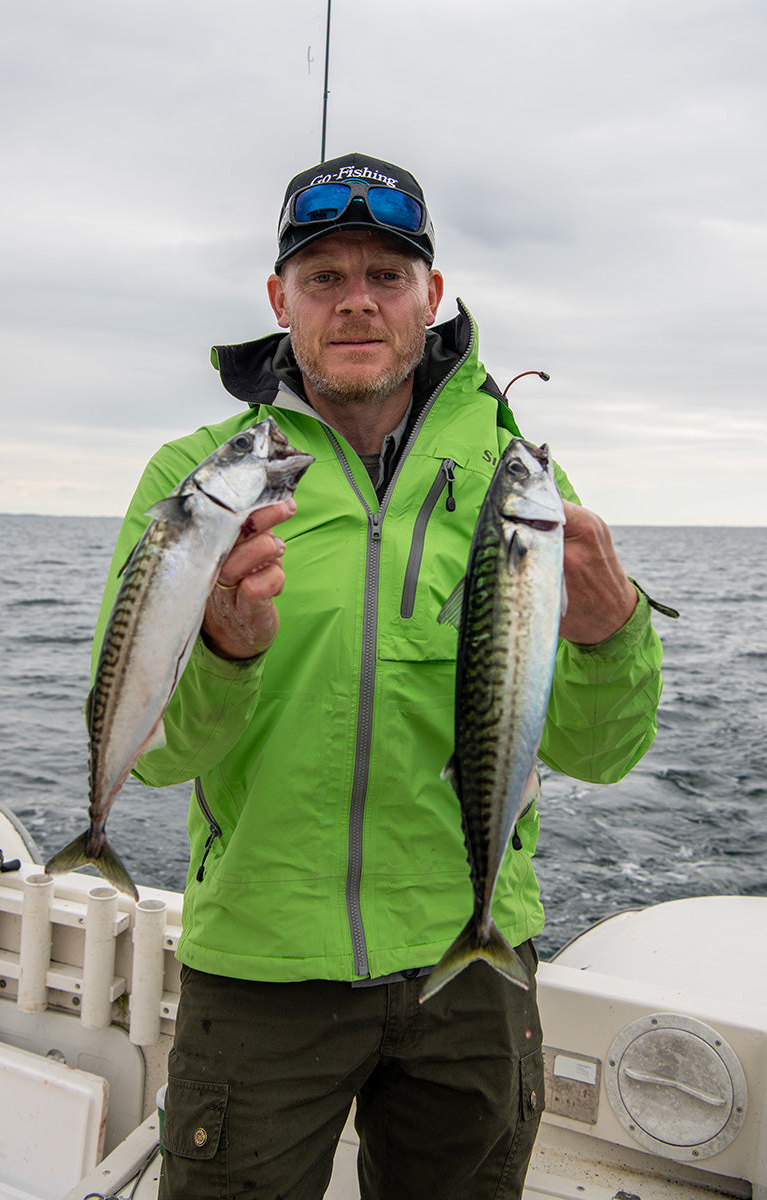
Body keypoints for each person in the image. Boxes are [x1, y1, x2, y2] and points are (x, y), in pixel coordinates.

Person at [93, 152, 664, 1199]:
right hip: (262, 971)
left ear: (430, 296)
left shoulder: (513, 481)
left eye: (386, 276)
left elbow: (599, 749)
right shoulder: (198, 483)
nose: (356, 301)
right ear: (279, 299)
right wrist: (220, 650)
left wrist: (609, 631)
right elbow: (160, 753)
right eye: (322, 277)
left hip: (471, 970)